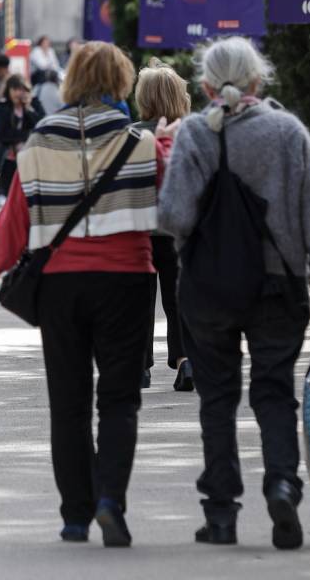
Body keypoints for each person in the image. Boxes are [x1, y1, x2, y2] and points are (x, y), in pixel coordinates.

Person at [0, 41, 176, 547]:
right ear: (122, 79)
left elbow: (12, 222)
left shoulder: (39, 139)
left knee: (69, 402)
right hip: (126, 282)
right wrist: (165, 142)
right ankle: (110, 501)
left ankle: (75, 514)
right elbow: (173, 189)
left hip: (60, 286)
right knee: (120, 400)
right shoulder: (138, 141)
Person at [158, 36, 310, 550]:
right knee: (273, 392)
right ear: (259, 81)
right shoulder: (289, 133)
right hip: (277, 287)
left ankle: (220, 514)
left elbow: (173, 215)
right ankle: (283, 484)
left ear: (204, 85)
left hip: (208, 291)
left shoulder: (195, 133)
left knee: (216, 400)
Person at [133, 59, 193, 391]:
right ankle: (186, 361)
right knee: (179, 298)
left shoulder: (131, 134)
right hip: (179, 231)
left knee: (139, 300)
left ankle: (139, 366)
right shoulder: (194, 133)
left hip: (139, 229)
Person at [0, 74, 45, 207]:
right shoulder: (2, 107)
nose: (18, 93)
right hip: (9, 155)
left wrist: (28, 109)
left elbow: (41, 126)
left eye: (21, 90)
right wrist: (25, 135)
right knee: (8, 187)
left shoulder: (34, 104)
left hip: (30, 155)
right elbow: (2, 133)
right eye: (14, 89)